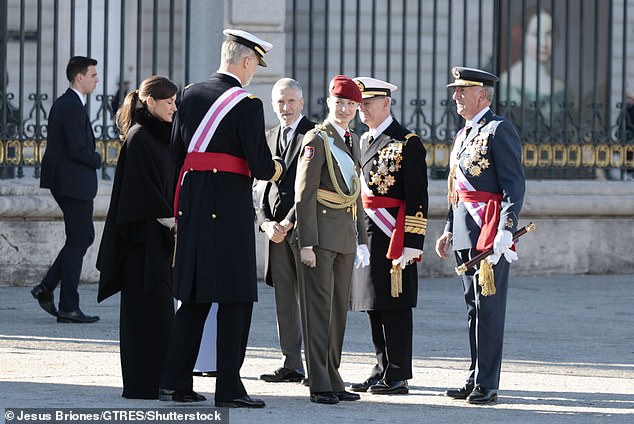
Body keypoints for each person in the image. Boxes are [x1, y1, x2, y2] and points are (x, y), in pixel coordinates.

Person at [158, 29, 284, 408]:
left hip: (194, 206)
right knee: (236, 298)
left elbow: (176, 153)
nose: (253, 73)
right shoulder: (246, 104)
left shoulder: (188, 94)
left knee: (194, 298)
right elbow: (261, 165)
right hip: (228, 209)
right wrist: (279, 168)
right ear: (246, 62)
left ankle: (173, 381)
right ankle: (228, 387)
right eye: (255, 66)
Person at [435, 66, 526, 404]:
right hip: (463, 228)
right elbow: (456, 188)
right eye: (456, 90)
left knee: (488, 307)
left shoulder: (498, 130)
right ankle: (474, 376)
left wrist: (507, 227)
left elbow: (513, 184)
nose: (456, 96)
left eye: (463, 90)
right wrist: (447, 228)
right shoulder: (464, 134)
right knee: (472, 307)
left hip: (489, 230)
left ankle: (488, 383)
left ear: (483, 95)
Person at [96, 76, 178, 399]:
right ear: (150, 102)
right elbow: (141, 192)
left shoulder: (161, 136)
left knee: (161, 318)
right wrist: (174, 222)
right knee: (146, 317)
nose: (174, 106)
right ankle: (143, 385)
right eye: (168, 101)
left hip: (158, 242)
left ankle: (160, 381)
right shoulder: (139, 137)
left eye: (174, 100)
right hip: (141, 247)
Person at [349, 77, 429, 395]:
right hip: (368, 234)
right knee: (372, 303)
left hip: (393, 234)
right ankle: (381, 365)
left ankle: (398, 373)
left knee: (395, 304)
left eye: (368, 104)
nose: (362, 110)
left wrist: (412, 242)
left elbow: (417, 197)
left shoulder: (407, 142)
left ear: (386, 103)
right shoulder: (361, 140)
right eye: (360, 104)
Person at [293, 75, 369, 405]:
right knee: (318, 311)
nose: (346, 109)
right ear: (329, 103)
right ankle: (319, 383)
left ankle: (333, 376)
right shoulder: (317, 139)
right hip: (320, 238)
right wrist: (306, 243)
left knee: (338, 311)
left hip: (344, 238)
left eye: (351, 104)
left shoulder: (351, 139)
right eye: (340, 103)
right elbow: (304, 194)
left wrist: (362, 239)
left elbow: (355, 194)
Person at [255, 78, 316, 384]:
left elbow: (314, 188)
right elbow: (259, 186)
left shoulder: (315, 135)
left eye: (291, 101)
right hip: (274, 233)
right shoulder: (268, 137)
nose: (285, 108)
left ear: (302, 103)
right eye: (280, 102)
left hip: (304, 231)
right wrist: (266, 223)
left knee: (309, 300)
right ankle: (291, 362)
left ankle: (317, 366)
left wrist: (289, 221)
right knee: (284, 301)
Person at [33, 56, 101, 324]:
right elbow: (76, 149)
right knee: (78, 240)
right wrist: (96, 158)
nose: (96, 79)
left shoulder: (71, 104)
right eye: (93, 75)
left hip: (70, 183)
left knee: (83, 236)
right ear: (79, 77)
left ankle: (46, 287)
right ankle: (68, 306)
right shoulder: (71, 106)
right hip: (73, 184)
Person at [498, 6, 573, 129]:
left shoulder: (561, 87)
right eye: (536, 34)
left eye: (549, 34)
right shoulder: (508, 82)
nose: (543, 43)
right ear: (523, 37)